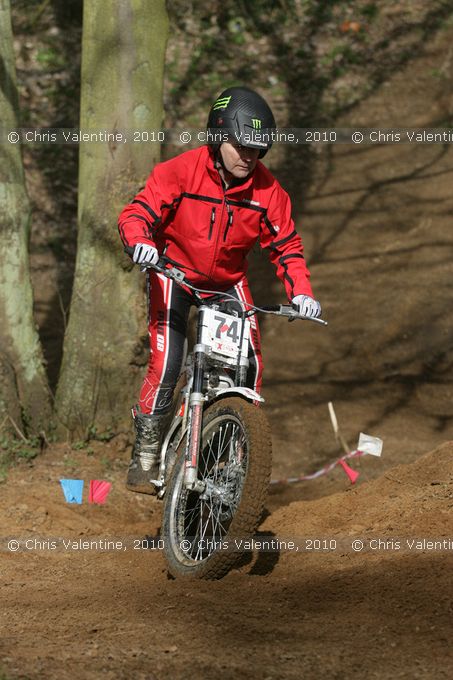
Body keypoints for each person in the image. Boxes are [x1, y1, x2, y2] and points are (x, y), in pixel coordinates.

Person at [118, 86, 322, 494]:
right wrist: (139, 239)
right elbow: (137, 211)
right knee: (168, 363)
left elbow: (287, 247)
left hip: (226, 282)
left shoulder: (269, 193)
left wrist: (302, 291)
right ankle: (145, 452)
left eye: (257, 150)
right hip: (171, 272)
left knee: (249, 366)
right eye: (242, 147)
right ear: (218, 136)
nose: (249, 157)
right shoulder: (179, 171)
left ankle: (231, 453)